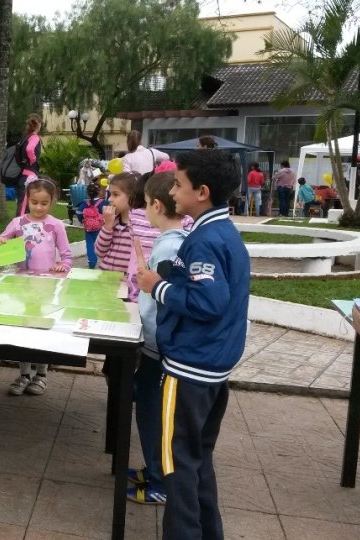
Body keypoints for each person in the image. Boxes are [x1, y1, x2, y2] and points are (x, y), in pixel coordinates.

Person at [135, 149, 249, 540]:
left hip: (190, 370)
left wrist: (157, 286)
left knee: (178, 466)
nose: (173, 192)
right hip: (212, 366)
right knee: (197, 461)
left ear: (201, 192)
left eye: (179, 185)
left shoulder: (204, 240)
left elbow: (208, 302)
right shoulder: (223, 232)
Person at [127, 172, 189, 506]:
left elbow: (169, 298)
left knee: (153, 415)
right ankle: (154, 470)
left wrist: (148, 286)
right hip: (157, 345)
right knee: (148, 406)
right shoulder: (174, 240)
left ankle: (160, 482)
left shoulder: (168, 246)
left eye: (146, 203)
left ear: (157, 206)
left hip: (160, 347)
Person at [0, 179, 72, 396]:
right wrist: (0, 242)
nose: (38, 207)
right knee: (23, 330)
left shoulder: (56, 225)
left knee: (41, 330)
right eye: (34, 202)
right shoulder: (17, 223)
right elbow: (0, 244)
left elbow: (66, 256)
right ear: (27, 200)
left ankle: (42, 374)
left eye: (44, 203)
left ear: (52, 201)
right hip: (22, 288)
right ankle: (24, 375)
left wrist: (62, 266)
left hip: (46, 288)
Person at [94, 173, 137, 272]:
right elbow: (99, 252)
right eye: (110, 194)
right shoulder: (112, 221)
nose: (109, 199)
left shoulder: (139, 226)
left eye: (115, 194)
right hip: (105, 277)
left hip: (127, 280)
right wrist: (107, 226)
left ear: (133, 197)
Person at [15, 114, 44, 217]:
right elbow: (30, 149)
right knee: (24, 208)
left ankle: (20, 225)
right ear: (38, 124)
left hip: (23, 175)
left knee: (22, 205)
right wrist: (33, 160)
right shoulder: (35, 137)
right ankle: (20, 226)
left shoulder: (25, 138)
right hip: (29, 177)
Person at [76, 183, 107, 269]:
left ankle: (92, 262)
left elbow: (78, 212)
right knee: (103, 244)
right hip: (100, 228)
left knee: (90, 244)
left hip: (88, 228)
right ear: (99, 192)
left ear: (87, 192)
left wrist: (82, 220)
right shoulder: (104, 202)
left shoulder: (85, 203)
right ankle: (106, 261)